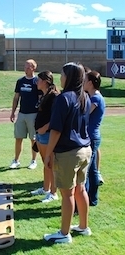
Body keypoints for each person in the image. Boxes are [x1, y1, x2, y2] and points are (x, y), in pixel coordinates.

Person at [43, 62, 92, 244]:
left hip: (68, 153)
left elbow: (55, 131)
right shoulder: (85, 97)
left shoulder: (63, 99)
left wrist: (48, 154)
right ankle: (83, 226)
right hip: (85, 150)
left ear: (69, 77)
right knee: (80, 189)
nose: (60, 78)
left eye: (62, 74)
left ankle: (64, 234)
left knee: (67, 194)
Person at [30, 71, 59, 203]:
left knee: (50, 164)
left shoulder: (54, 96)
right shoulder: (44, 95)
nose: (36, 82)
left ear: (45, 81)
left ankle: (53, 193)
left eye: (39, 79)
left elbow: (56, 117)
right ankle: (45, 188)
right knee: (45, 163)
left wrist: (44, 128)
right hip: (41, 135)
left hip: (47, 134)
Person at [10, 59, 40, 170]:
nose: (26, 69)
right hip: (22, 113)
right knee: (18, 138)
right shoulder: (20, 81)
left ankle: (33, 161)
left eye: (28, 67)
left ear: (33, 68)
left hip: (33, 114)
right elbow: (16, 98)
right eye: (25, 66)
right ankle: (16, 160)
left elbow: (41, 98)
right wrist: (13, 112)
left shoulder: (37, 81)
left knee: (33, 139)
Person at [83, 70, 105, 206]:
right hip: (92, 136)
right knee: (92, 171)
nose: (83, 83)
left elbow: (84, 114)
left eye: (85, 80)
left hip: (91, 137)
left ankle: (83, 202)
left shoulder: (95, 98)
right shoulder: (93, 96)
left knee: (85, 171)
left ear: (90, 83)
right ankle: (92, 199)